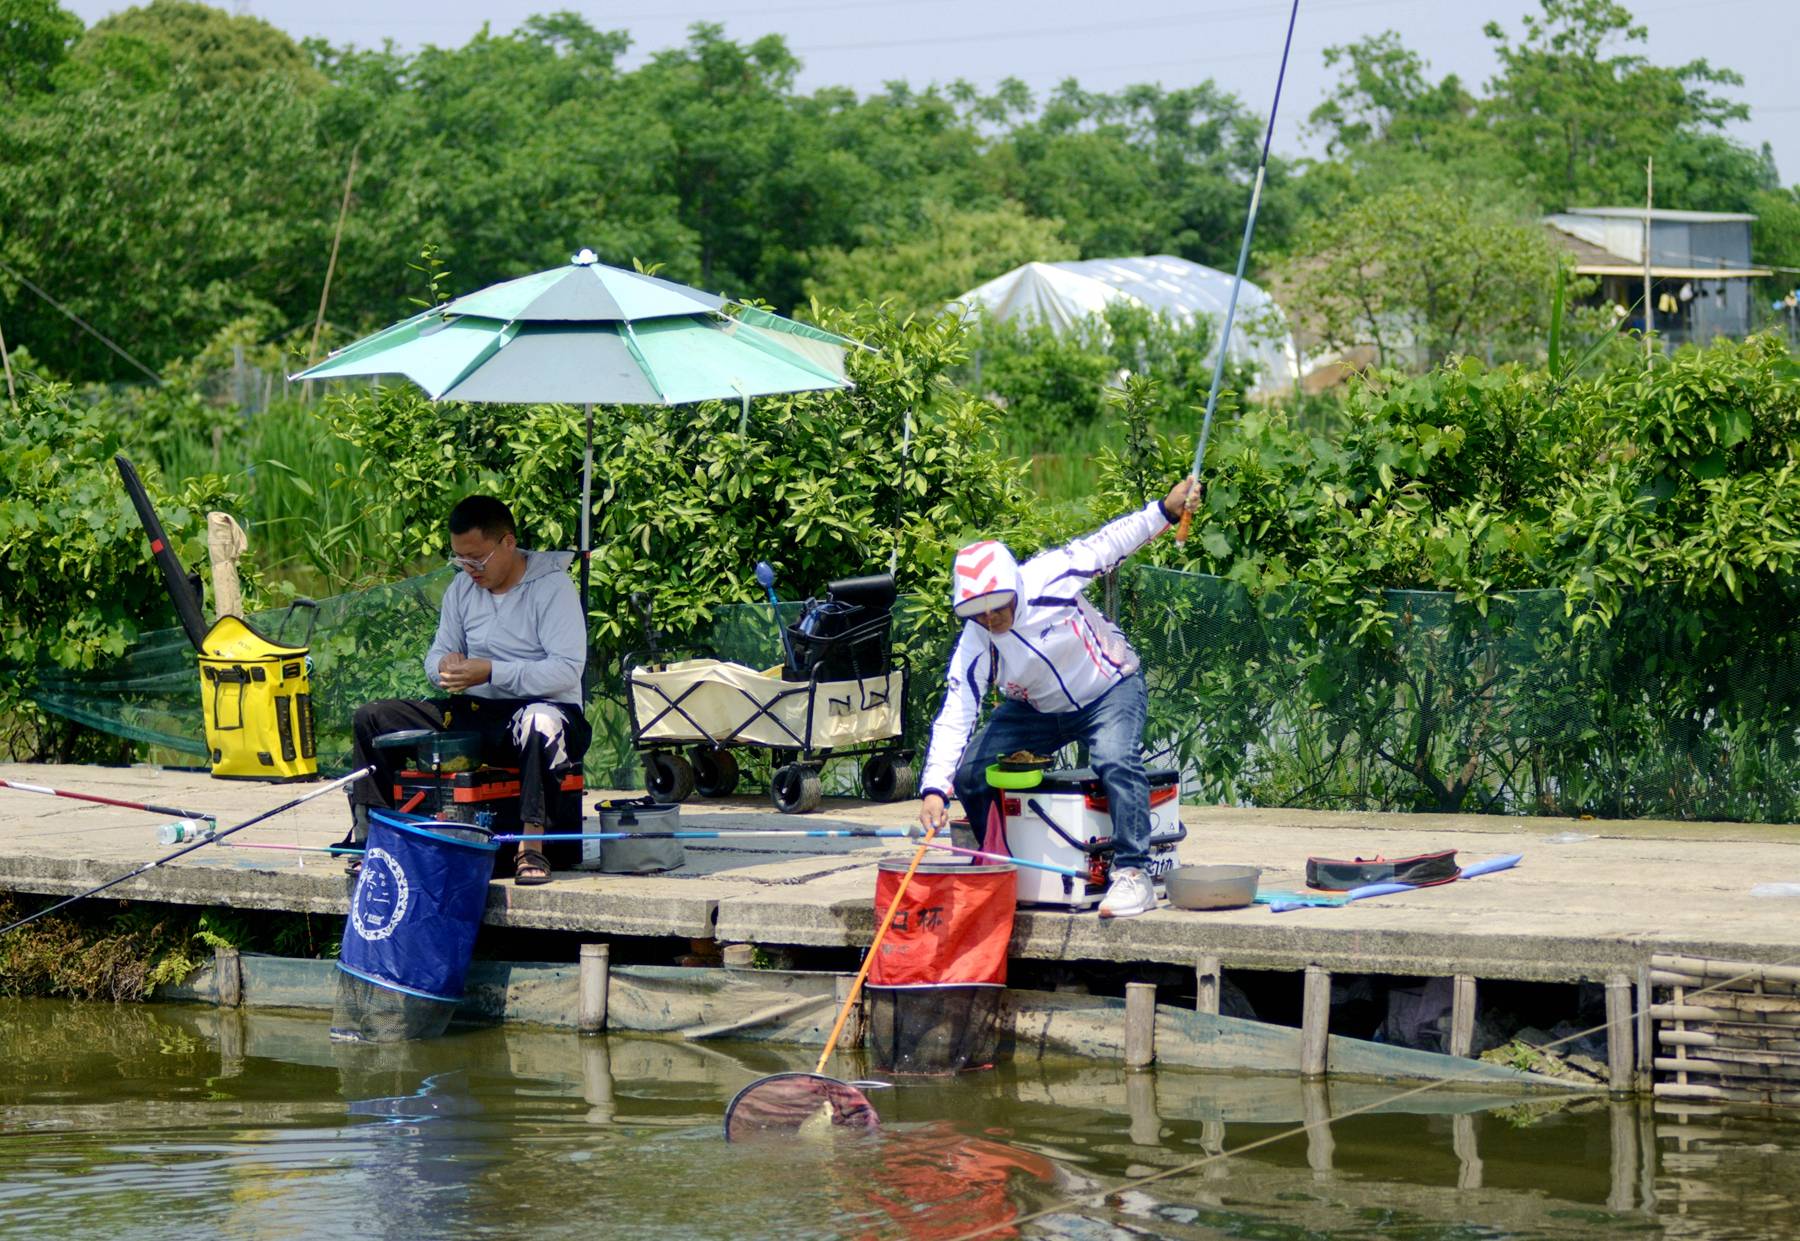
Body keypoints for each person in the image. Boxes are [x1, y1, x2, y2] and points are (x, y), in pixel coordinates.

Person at [916, 478, 1196, 919]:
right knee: (970, 774)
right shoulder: (976, 638)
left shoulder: (1051, 577)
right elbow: (957, 710)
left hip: (1108, 687)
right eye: (977, 611)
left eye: (998, 605)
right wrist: (935, 788)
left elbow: (1110, 544)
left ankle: (1133, 873)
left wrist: (1163, 509)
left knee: (1114, 761)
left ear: (1015, 588)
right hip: (1036, 710)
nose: (990, 618)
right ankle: (996, 862)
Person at [343, 495, 589, 886]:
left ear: (508, 543)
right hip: (474, 711)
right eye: (460, 559)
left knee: (540, 721)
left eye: (477, 559)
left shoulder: (553, 588)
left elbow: (565, 670)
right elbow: (438, 651)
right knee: (373, 719)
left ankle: (532, 848)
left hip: (543, 711)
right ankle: (372, 838)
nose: (469, 569)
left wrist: (490, 671)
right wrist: (442, 667)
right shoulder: (461, 589)